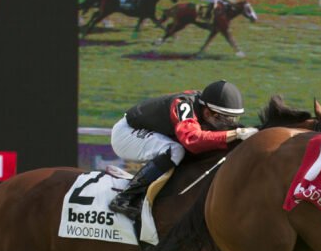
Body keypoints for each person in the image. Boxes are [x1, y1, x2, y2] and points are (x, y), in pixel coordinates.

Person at [109, 80, 258, 220]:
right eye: (227, 120)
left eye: (234, 119)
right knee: (175, 150)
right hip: (127, 133)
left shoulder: (207, 108)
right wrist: (236, 134)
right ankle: (125, 198)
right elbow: (192, 139)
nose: (230, 125)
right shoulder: (183, 104)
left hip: (152, 132)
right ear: (207, 113)